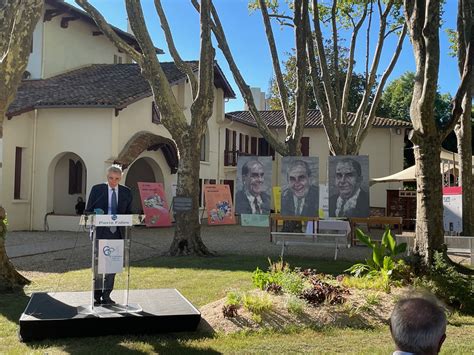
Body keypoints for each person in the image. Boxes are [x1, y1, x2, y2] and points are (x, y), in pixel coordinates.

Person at [85, 164, 132, 305]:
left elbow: (130, 214)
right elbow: (88, 211)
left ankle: (107, 295)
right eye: (111, 178)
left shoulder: (126, 192)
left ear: (120, 179)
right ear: (107, 177)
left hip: (118, 233)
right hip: (101, 231)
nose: (113, 181)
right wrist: (95, 214)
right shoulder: (97, 189)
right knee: (99, 265)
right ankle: (96, 295)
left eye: (117, 179)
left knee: (113, 265)